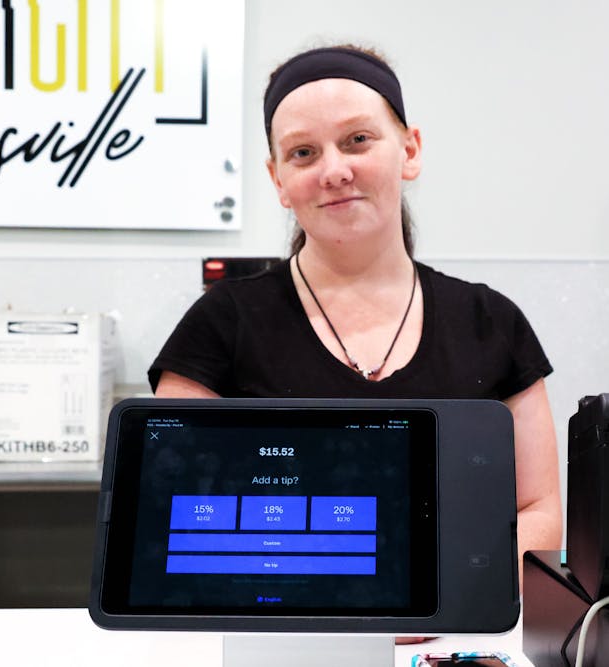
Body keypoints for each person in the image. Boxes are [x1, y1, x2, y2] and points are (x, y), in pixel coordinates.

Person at [149, 45, 562, 564]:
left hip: (452, 636)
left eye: (357, 140)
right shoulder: (220, 324)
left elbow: (538, 509)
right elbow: (164, 508)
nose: (334, 171)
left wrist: (442, 599)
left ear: (409, 150)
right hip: (276, 631)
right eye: (303, 153)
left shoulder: (492, 323)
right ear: (278, 179)